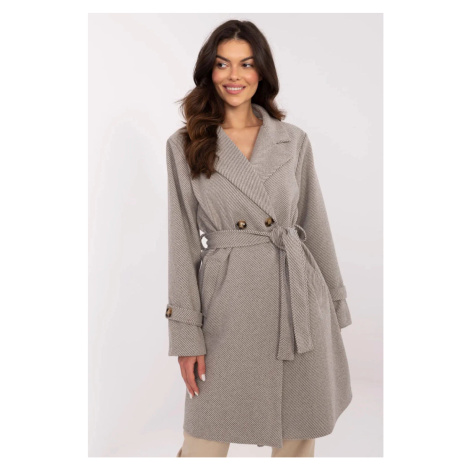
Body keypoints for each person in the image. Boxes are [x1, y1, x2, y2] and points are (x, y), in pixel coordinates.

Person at [165, 19, 353, 458]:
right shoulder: (186, 143)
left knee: (298, 435)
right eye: (223, 64)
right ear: (209, 72)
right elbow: (181, 243)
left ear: (261, 71)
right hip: (227, 304)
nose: (234, 75)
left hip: (298, 299)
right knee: (204, 440)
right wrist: (186, 335)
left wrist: (334, 306)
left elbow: (314, 223)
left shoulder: (293, 141)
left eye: (246, 64)